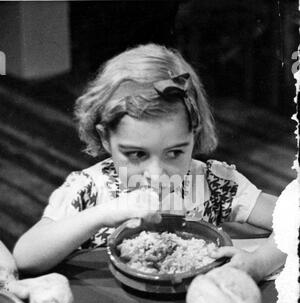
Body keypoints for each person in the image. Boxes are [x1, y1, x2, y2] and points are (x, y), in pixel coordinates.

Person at [13, 44, 287, 278]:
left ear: (195, 135)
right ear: (106, 139)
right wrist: (100, 216)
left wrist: (259, 263)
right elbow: (26, 257)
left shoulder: (212, 184)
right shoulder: (89, 190)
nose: (156, 174)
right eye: (137, 154)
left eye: (175, 152)